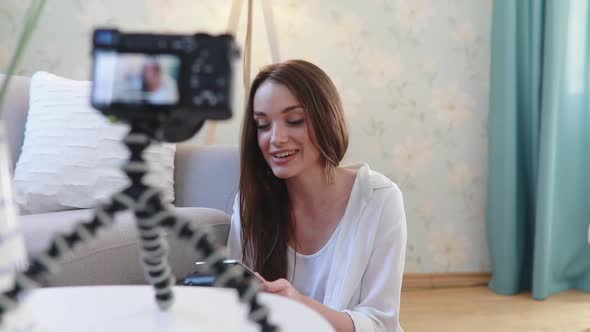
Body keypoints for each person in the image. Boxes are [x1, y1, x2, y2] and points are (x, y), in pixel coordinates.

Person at [226, 59, 407, 332]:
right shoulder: (250, 203)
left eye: (294, 120)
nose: (276, 138)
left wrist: (299, 306)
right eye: (263, 125)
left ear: (326, 118)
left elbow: (381, 324)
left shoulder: (379, 200)